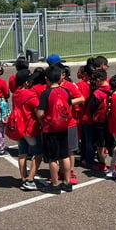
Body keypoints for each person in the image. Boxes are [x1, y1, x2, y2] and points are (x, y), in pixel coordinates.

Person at [47, 55, 85, 185]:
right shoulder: (50, 86)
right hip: (55, 124)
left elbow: (81, 98)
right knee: (57, 150)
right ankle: (59, 172)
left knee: (69, 150)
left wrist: (67, 102)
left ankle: (70, 172)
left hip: (69, 123)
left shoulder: (69, 86)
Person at [37, 65, 73, 194]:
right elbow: (69, 108)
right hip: (63, 126)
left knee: (53, 158)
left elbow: (40, 113)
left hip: (50, 128)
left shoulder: (45, 93)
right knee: (65, 155)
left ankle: (55, 184)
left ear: (47, 79)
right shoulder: (66, 91)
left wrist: (42, 123)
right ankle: (67, 182)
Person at [12, 69, 43, 191]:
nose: (32, 81)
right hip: (31, 128)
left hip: (19, 128)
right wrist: (43, 125)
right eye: (30, 80)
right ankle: (30, 179)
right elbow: (38, 112)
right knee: (38, 154)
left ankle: (23, 178)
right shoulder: (30, 95)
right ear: (25, 82)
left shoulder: (16, 94)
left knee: (22, 154)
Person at [90, 69, 115, 171]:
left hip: (100, 121)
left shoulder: (97, 93)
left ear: (99, 80)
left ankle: (102, 164)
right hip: (111, 120)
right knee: (112, 143)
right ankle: (115, 162)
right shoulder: (113, 90)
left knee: (100, 144)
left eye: (95, 80)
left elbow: (92, 108)